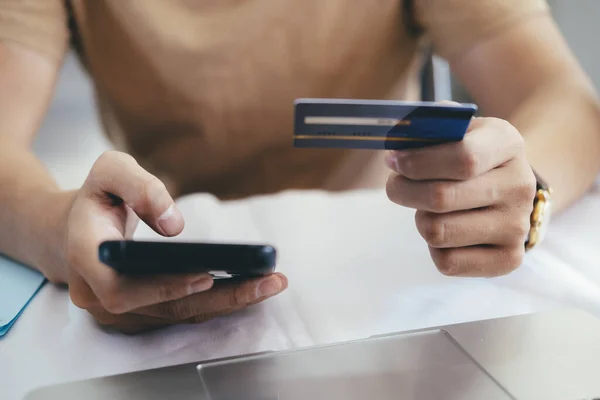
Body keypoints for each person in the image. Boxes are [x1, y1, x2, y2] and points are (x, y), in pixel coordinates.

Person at [1, 0, 599, 333]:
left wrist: (528, 194)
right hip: (172, 247)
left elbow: (570, 104)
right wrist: (64, 230)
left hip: (382, 268)